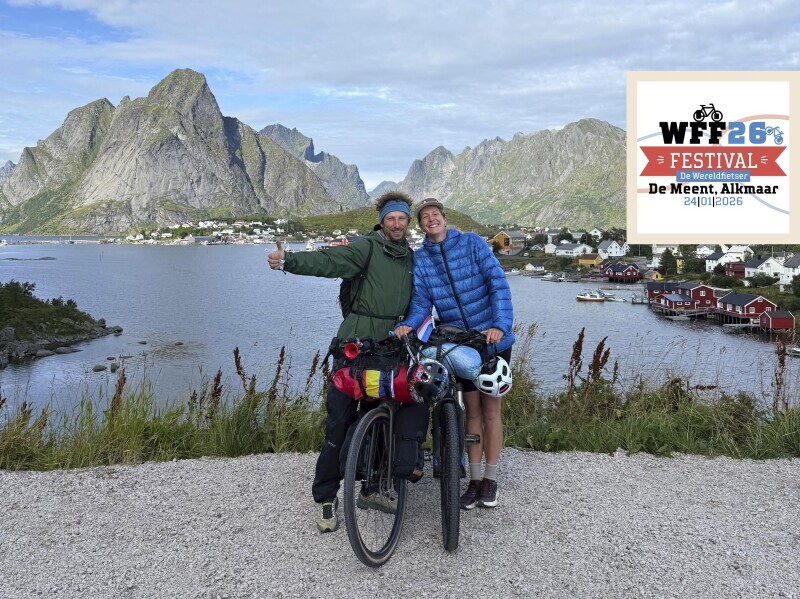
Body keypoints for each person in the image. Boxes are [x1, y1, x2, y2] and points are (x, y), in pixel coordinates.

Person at [267, 191, 427, 533]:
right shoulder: (366, 247)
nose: (397, 224)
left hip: (391, 349)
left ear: (408, 223)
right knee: (338, 423)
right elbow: (329, 261)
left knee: (388, 415)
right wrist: (288, 260)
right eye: (391, 219)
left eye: (402, 219)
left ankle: (374, 484)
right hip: (354, 346)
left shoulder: (411, 258)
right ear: (381, 222)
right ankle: (326, 497)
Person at [394, 197, 514, 510]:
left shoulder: (472, 244)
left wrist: (500, 325)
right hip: (461, 345)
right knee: (471, 411)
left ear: (444, 218)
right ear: (421, 225)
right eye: (425, 217)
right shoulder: (422, 259)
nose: (431, 219)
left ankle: (490, 479)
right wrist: (408, 325)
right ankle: (474, 480)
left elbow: (497, 284)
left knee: (491, 410)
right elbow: (421, 302)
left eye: (435, 214)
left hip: (492, 340)